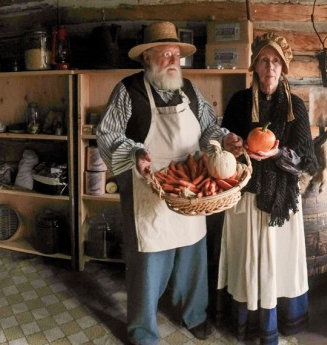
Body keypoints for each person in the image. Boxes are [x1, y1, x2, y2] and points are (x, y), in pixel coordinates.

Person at [96, 21, 243, 345]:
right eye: (165, 54)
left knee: (193, 257)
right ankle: (143, 330)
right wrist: (134, 154)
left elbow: (208, 128)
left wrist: (226, 139)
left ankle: (194, 313)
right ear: (147, 58)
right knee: (148, 265)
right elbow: (106, 134)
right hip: (149, 190)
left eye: (176, 54)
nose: (173, 60)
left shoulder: (189, 90)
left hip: (191, 189)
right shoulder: (128, 91)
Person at [215, 32, 319, 344]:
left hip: (282, 201)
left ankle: (280, 320)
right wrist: (230, 143)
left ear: (283, 67)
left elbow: (309, 160)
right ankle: (246, 320)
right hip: (245, 197)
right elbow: (226, 144)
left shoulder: (295, 107)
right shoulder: (239, 102)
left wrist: (278, 154)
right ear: (255, 66)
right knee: (246, 259)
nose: (269, 67)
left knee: (279, 264)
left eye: (275, 61)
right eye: (263, 60)